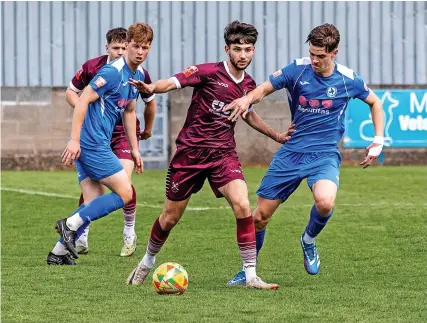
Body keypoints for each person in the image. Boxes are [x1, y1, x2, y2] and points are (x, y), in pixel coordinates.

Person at [125, 21, 295, 290]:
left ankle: (251, 275)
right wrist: (151, 88)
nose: (243, 55)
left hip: (223, 155)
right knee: (169, 217)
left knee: (242, 205)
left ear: (253, 51)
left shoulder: (248, 85)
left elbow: (248, 114)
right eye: (237, 49)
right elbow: (174, 81)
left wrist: (276, 136)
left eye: (248, 49)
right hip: (190, 155)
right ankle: (146, 262)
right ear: (227, 49)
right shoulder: (207, 72)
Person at [225, 23, 385, 286]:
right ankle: (248, 271)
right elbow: (263, 88)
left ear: (334, 53)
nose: (314, 60)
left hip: (324, 154)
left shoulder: (348, 79)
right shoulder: (296, 70)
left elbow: (375, 103)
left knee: (325, 202)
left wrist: (377, 141)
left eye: (320, 56)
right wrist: (246, 99)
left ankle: (308, 240)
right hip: (291, 152)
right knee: (259, 217)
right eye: (312, 53)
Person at [47, 23, 154, 265]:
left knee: (93, 200)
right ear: (127, 47)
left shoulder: (136, 75)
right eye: (135, 46)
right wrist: (75, 140)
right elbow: (82, 98)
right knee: (125, 193)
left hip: (94, 142)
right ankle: (70, 224)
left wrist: (135, 149)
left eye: (144, 47)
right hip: (91, 143)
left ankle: (58, 253)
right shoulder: (113, 72)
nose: (139, 52)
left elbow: (129, 110)